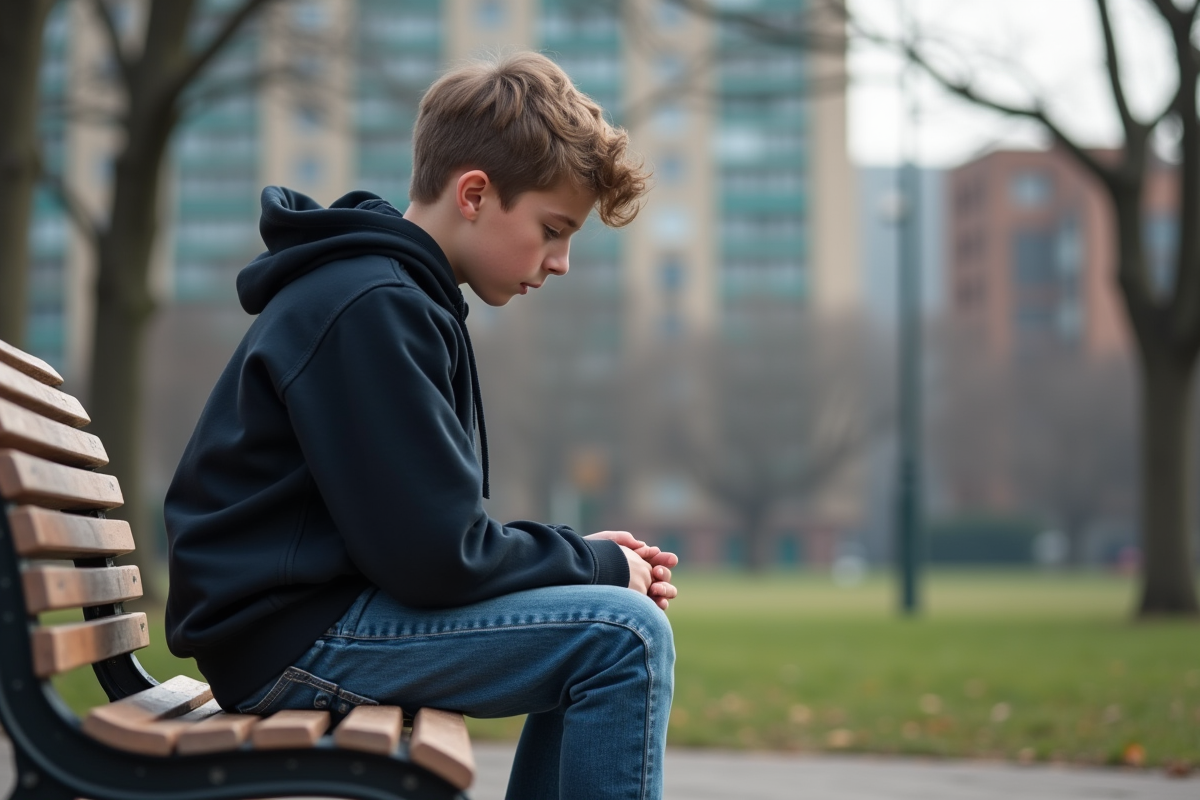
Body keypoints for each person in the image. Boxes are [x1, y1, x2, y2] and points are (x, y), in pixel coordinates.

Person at [163, 51, 677, 800]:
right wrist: (589, 565)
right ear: (474, 193)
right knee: (622, 637)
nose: (561, 262)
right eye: (553, 229)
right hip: (292, 640)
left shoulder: (389, 294)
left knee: (612, 625)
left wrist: (584, 560)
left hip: (300, 622)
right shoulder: (371, 306)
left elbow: (429, 539)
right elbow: (436, 558)